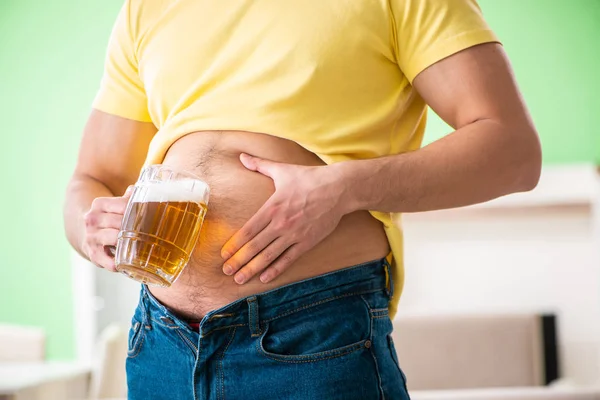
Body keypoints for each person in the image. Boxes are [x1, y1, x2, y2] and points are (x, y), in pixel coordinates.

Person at [63, 0, 541, 398]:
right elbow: (91, 179)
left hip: (314, 333)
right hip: (161, 343)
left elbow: (513, 150)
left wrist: (344, 188)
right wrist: (94, 229)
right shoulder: (147, 8)